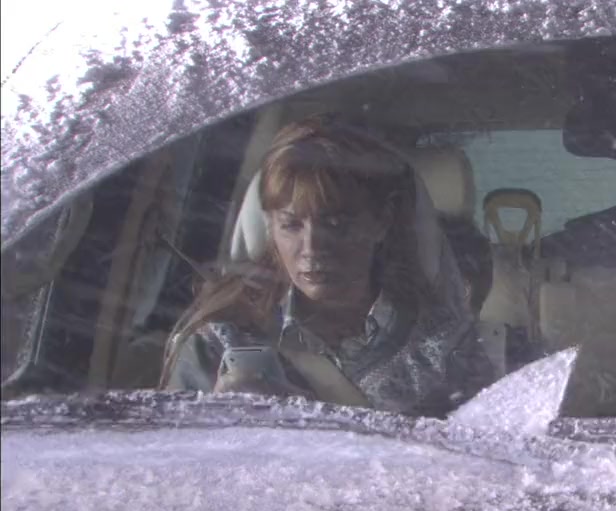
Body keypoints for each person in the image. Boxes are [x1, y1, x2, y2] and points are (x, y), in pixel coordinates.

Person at [160, 116, 493, 417]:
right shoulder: (220, 342)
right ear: (269, 227)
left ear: (382, 221)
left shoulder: (447, 347)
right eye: (291, 225)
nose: (312, 248)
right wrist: (218, 424)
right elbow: (176, 459)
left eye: (335, 225)